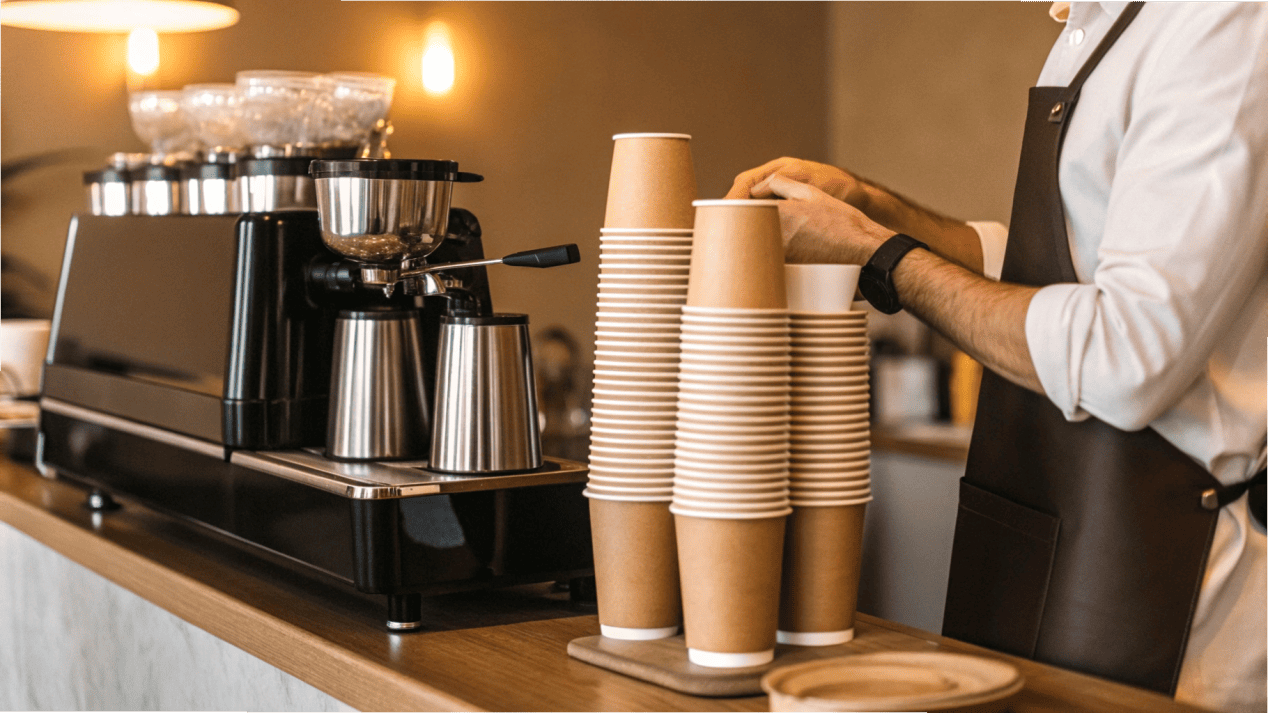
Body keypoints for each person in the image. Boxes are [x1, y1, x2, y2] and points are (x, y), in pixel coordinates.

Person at [726, 2, 1267, 711]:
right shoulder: (1095, 29)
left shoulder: (1220, 23)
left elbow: (1127, 354)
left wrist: (879, 255)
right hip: (1048, 548)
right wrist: (873, 211)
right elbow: (1046, 274)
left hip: (1176, 610)